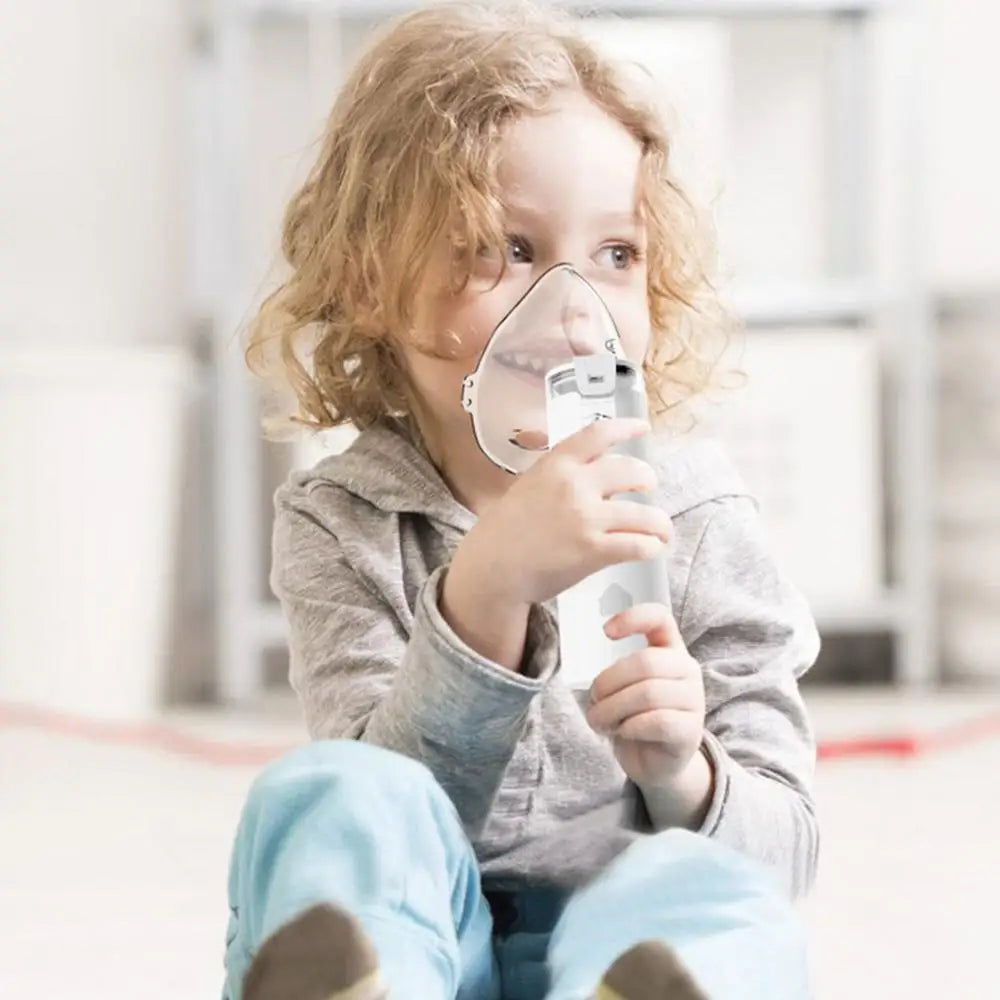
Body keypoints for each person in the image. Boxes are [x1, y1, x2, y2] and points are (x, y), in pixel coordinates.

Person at [223, 3, 820, 998]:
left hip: (614, 947)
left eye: (616, 254)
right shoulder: (342, 519)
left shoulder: (695, 513)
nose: (573, 308)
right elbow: (392, 820)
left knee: (706, 893)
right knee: (327, 795)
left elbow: (785, 855)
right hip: (422, 952)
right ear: (371, 278)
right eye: (507, 247)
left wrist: (684, 774)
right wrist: (484, 595)